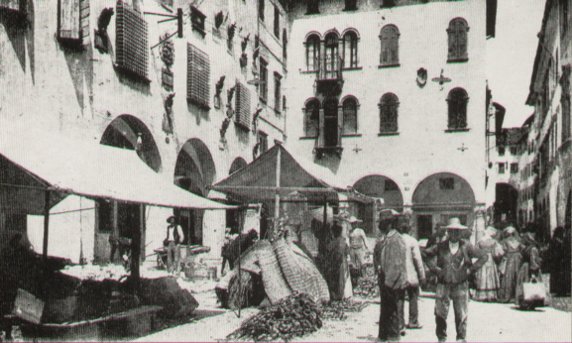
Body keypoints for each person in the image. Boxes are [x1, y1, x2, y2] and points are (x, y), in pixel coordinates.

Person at [424, 217, 488, 343]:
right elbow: (425, 254)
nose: (454, 234)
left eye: (457, 231)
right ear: (448, 232)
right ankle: (441, 338)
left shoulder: (467, 246)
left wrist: (470, 270)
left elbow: (483, 256)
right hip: (443, 284)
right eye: (452, 231)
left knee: (461, 313)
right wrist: (435, 269)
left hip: (461, 285)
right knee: (440, 313)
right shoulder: (441, 246)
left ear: (461, 233)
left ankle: (461, 338)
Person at [376, 209, 408, 342]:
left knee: (392, 310)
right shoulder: (387, 238)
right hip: (386, 279)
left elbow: (396, 264)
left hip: (392, 281)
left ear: (389, 224)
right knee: (385, 310)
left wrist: (388, 282)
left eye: (383, 223)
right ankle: (383, 336)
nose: (381, 226)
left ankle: (393, 337)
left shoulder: (396, 240)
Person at [398, 221, 426, 330]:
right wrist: (422, 276)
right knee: (413, 297)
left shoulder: (397, 240)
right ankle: (413, 321)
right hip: (411, 275)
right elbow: (418, 260)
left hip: (400, 275)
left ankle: (400, 324)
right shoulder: (413, 241)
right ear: (409, 230)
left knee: (400, 298)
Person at [474, 226, 503, 302]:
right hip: (490, 258)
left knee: (483, 274)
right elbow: (500, 252)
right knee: (490, 275)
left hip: (482, 258)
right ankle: (491, 295)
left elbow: (475, 251)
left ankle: (482, 295)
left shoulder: (480, 241)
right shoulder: (493, 241)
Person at [515, 232, 543, 309]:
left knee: (525, 285)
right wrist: (534, 271)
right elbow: (533, 261)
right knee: (532, 285)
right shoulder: (533, 249)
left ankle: (525, 302)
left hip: (524, 268)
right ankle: (531, 302)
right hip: (530, 268)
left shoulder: (525, 249)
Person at [325, 222, 351, 301]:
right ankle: (341, 295)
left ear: (334, 232)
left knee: (336, 279)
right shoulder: (343, 241)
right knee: (342, 279)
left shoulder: (334, 242)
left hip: (336, 262)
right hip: (343, 261)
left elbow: (328, 251)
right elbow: (347, 252)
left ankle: (337, 296)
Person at [498, 226, 522, 302]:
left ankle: (507, 295)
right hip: (518, 258)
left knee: (508, 276)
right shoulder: (518, 240)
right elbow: (521, 249)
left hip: (510, 258)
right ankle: (517, 295)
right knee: (517, 275)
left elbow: (503, 251)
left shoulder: (505, 241)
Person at [548, 226, 571, 296]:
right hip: (557, 262)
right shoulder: (555, 241)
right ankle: (559, 291)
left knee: (562, 276)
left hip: (562, 262)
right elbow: (553, 252)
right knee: (559, 276)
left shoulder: (563, 240)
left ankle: (564, 290)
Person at [348, 215, 369, 283]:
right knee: (353, 264)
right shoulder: (350, 231)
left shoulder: (360, 231)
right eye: (352, 223)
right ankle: (355, 278)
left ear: (356, 223)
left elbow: (365, 239)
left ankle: (364, 276)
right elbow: (349, 240)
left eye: (354, 223)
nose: (353, 224)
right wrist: (348, 248)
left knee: (363, 263)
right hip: (352, 249)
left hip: (359, 249)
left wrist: (367, 247)